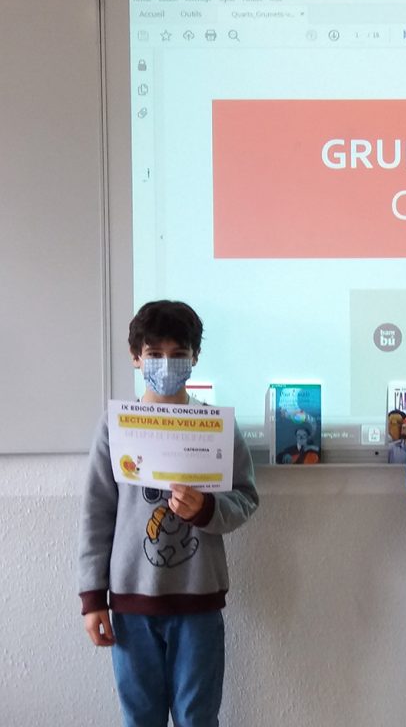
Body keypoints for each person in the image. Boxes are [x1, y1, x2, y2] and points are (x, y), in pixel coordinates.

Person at [78, 300, 259, 727]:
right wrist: (92, 597)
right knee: (140, 717)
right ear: (135, 357)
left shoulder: (216, 426)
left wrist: (207, 509)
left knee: (198, 717)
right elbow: (96, 513)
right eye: (154, 353)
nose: (166, 364)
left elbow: (246, 498)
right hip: (131, 603)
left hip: (198, 601)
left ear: (195, 357)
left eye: (178, 354)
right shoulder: (115, 426)